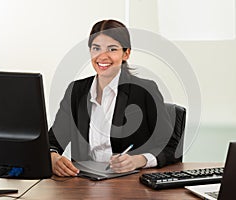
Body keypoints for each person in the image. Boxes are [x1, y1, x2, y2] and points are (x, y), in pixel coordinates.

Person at [48, 19, 180, 177]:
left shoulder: (145, 91)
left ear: (126, 53)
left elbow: (171, 146)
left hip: (130, 185)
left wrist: (140, 160)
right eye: (96, 48)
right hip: (83, 184)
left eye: (112, 49)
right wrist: (53, 157)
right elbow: (53, 141)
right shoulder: (76, 91)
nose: (102, 56)